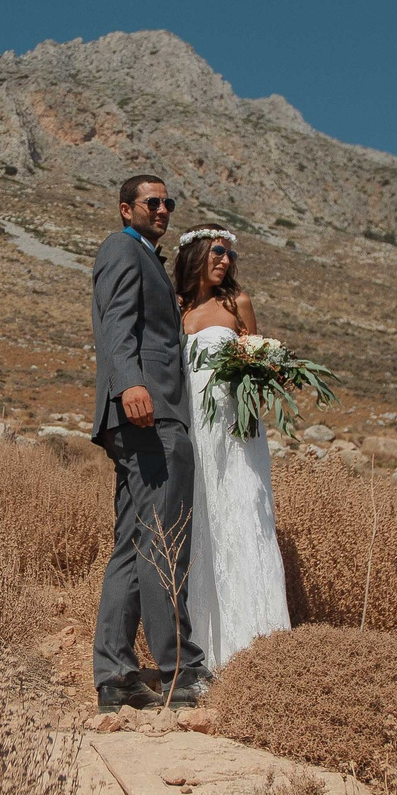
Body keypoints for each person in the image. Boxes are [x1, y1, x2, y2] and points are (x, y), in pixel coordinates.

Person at [89, 174, 208, 710]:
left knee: (132, 545)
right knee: (165, 538)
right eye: (152, 202)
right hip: (148, 411)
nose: (163, 209)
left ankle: (115, 676)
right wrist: (132, 383)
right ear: (125, 209)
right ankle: (181, 671)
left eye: (169, 202)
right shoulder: (123, 248)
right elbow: (117, 323)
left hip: (140, 415)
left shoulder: (148, 257)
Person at [173, 228, 291, 667]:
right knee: (203, 522)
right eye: (217, 251)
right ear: (197, 255)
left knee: (244, 516)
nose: (225, 259)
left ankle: (257, 651)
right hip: (195, 431)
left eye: (230, 253)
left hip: (236, 430)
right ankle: (202, 652)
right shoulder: (180, 308)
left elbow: (259, 364)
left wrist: (260, 375)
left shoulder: (236, 303)